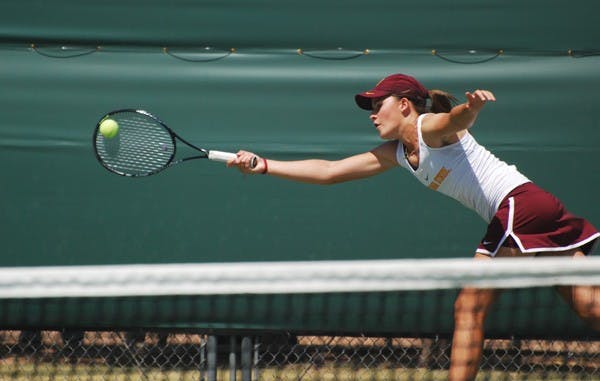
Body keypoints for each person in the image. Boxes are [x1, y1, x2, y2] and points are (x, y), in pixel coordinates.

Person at [228, 73, 600, 380]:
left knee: (468, 306)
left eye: (379, 105)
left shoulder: (429, 128)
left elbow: (453, 120)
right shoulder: (397, 154)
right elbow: (330, 172)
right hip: (535, 205)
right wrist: (264, 164)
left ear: (404, 105)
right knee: (588, 306)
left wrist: (471, 109)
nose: (373, 115)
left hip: (518, 206)